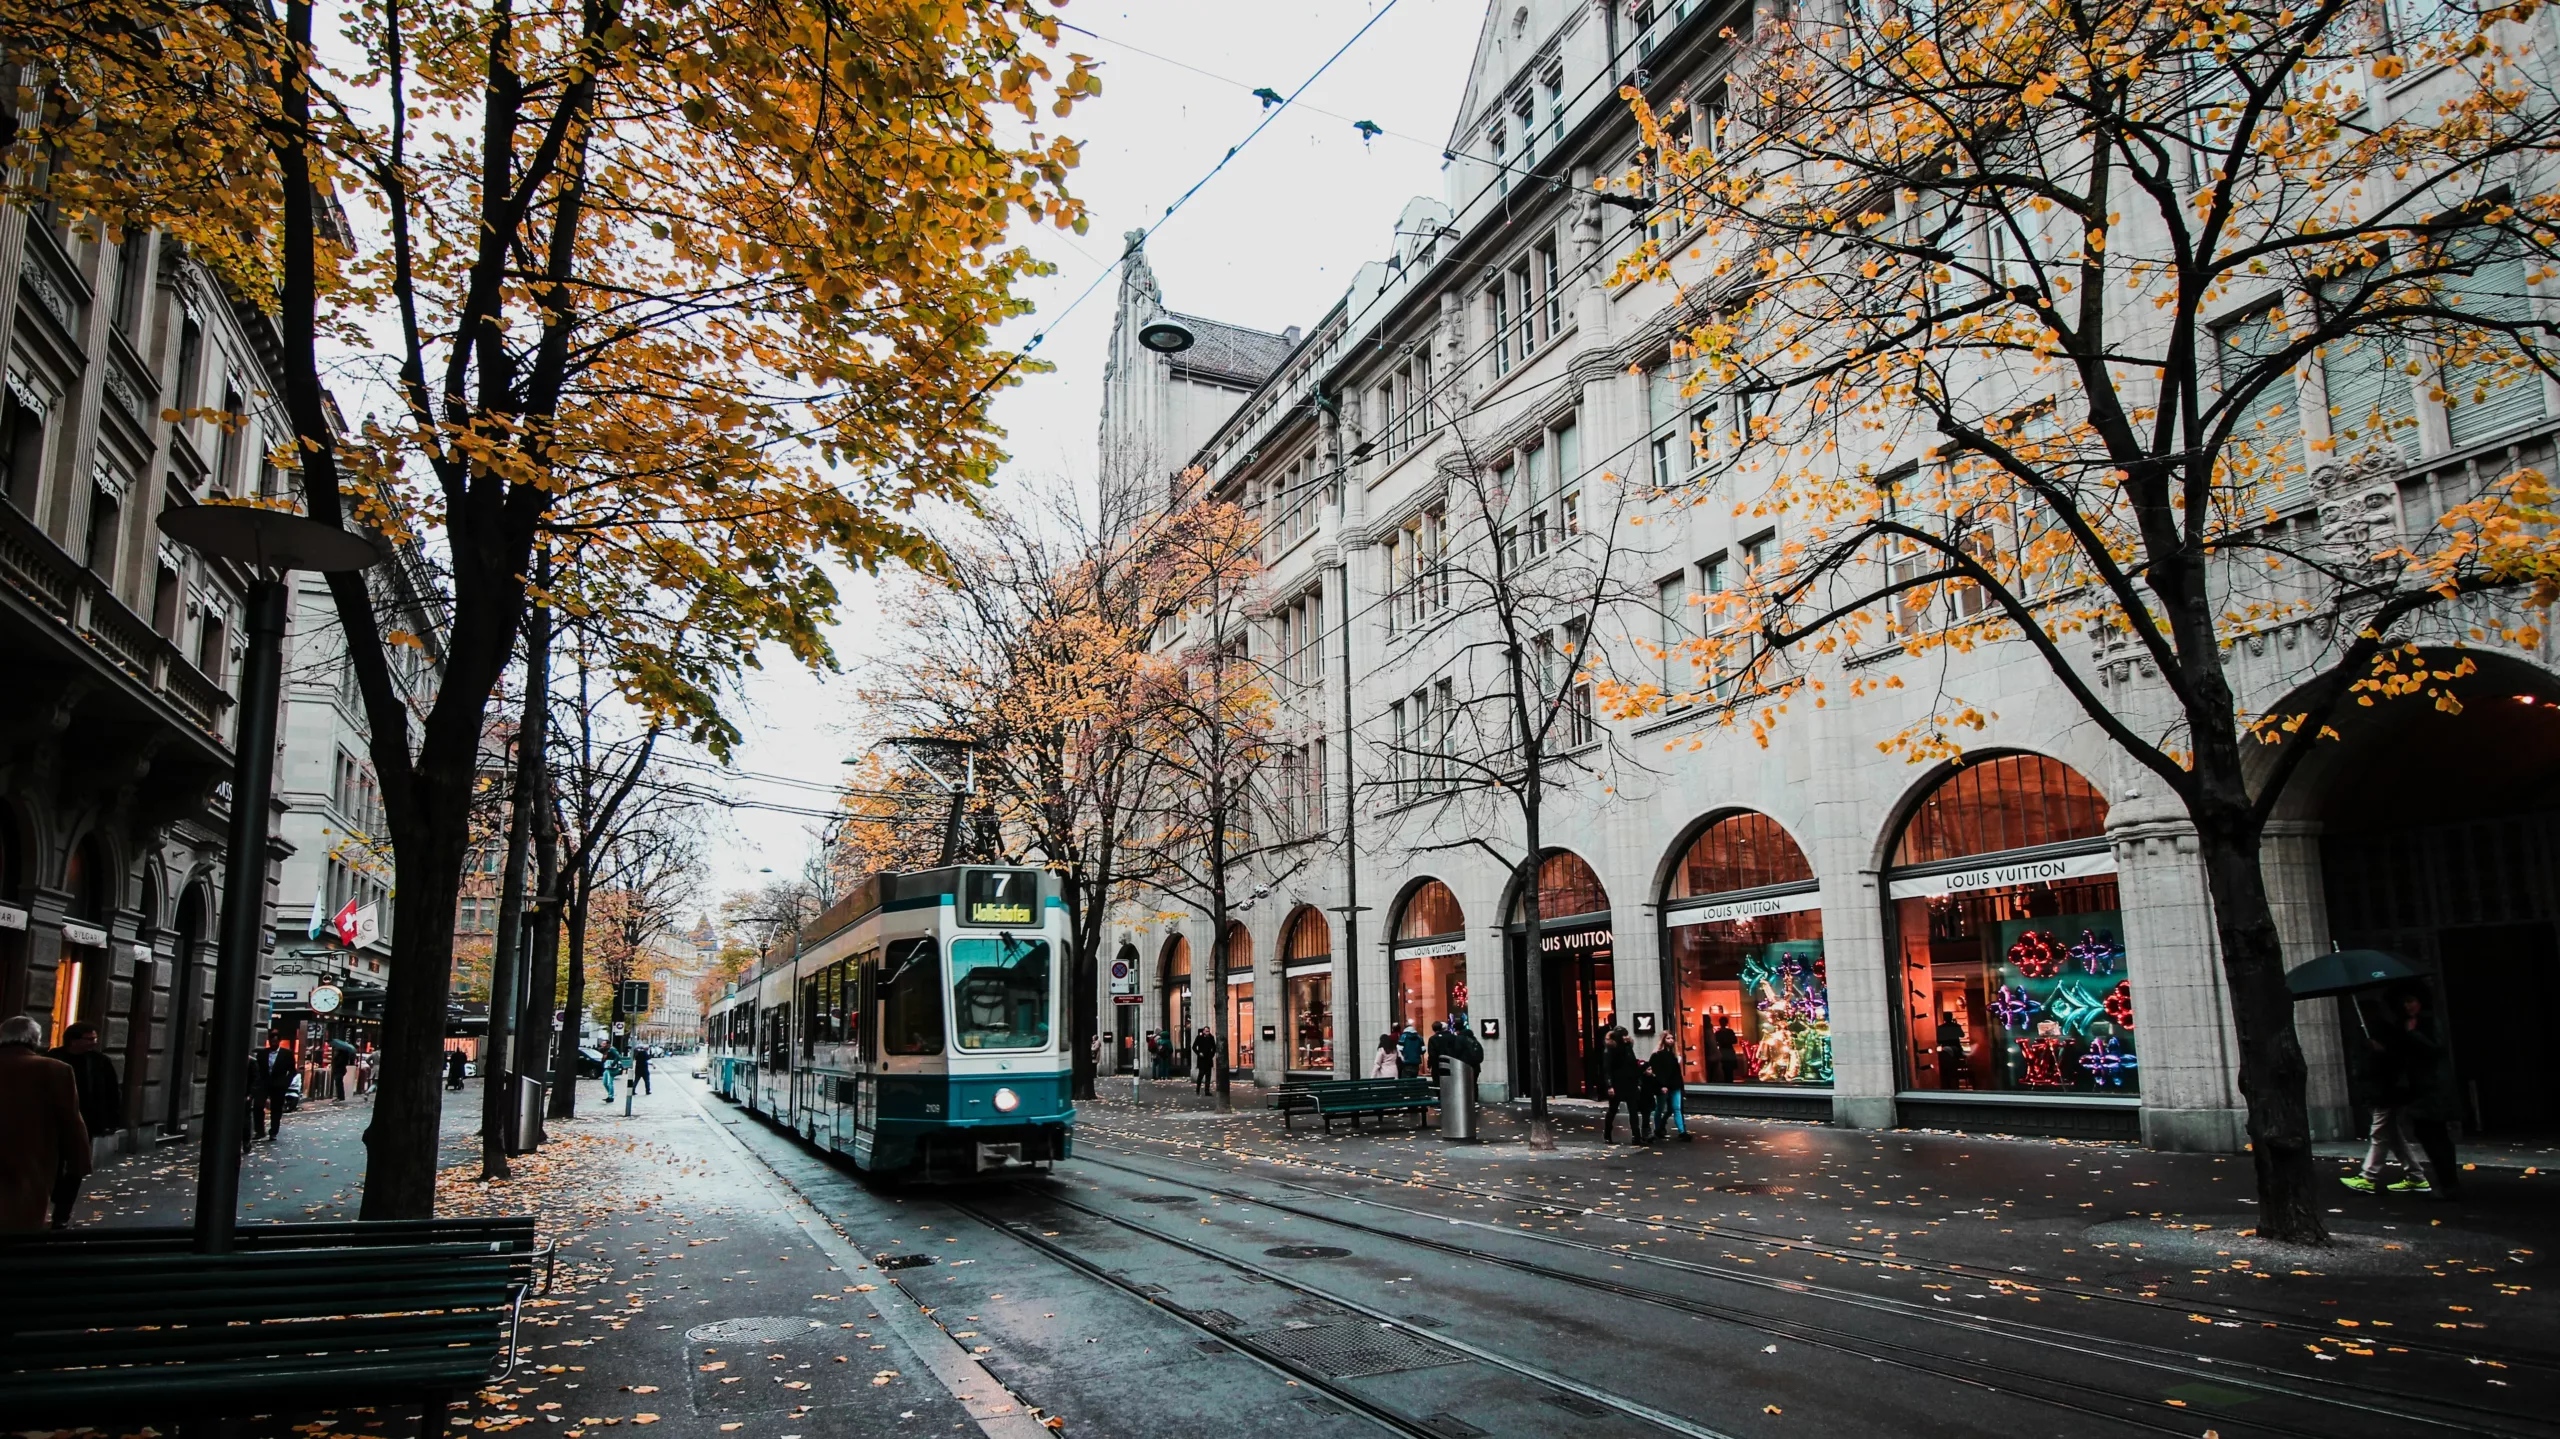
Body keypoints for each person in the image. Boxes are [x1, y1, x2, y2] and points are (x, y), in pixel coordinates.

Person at [2345, 987, 2442, 1195]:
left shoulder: (2386, 1032)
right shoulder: (2369, 1033)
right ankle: (2416, 1176)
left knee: (2379, 1133)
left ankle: (2368, 1176)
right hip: (2379, 1089)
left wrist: (2381, 1052)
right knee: (2394, 1136)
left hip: (2386, 1090)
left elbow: (2397, 1059)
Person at [0, 1015, 90, 1232]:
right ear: (35, 1039)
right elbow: (70, 1120)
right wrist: (80, 1161)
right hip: (31, 1156)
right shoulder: (55, 1069)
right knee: (23, 1217)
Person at [49, 1021, 124, 1150]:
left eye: (95, 1038)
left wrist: (112, 1119)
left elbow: (111, 1090)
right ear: (73, 1040)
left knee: (80, 1152)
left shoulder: (100, 1060)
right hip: (57, 1116)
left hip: (87, 1117)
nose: (94, 1042)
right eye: (89, 1039)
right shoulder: (53, 1058)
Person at [1602, 1028, 1648, 1144]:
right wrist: (1610, 1086)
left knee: (1633, 1110)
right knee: (1613, 1109)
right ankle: (1607, 1134)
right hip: (1618, 1083)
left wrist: (1637, 1081)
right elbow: (1607, 1069)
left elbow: (1632, 1066)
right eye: (1623, 1035)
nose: (1626, 1037)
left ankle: (1636, 1136)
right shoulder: (1611, 1049)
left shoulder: (1627, 1047)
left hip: (1630, 1083)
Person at [249, 1035, 295, 1143]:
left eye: (275, 1042)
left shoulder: (287, 1054)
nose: (273, 1044)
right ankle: (259, 1131)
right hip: (264, 1084)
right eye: (271, 1042)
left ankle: (273, 1132)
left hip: (279, 1085)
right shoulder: (262, 1053)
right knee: (258, 1106)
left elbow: (292, 1070)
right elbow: (258, 1069)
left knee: (276, 1109)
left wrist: (286, 1082)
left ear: (279, 1042)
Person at [1648, 1036, 1691, 1142]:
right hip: (1665, 1086)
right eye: (1668, 1038)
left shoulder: (1673, 1055)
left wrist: (1681, 1087)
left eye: (1672, 1038)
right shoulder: (1658, 1055)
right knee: (1661, 1108)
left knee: (1676, 1108)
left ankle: (1681, 1131)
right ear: (1663, 1040)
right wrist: (1661, 1085)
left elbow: (1677, 1073)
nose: (1671, 1040)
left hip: (1674, 1085)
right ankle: (1658, 1129)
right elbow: (1656, 1072)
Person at [1935, 1013, 1969, 1090]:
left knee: (1946, 1068)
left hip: (1946, 1050)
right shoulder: (1956, 1026)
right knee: (1955, 1066)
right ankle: (1956, 1084)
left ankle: (1947, 1085)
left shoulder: (1940, 1028)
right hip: (1956, 1049)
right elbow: (1962, 1035)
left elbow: (1939, 1041)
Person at [1710, 1016, 1740, 1084]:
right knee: (1729, 1070)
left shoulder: (1718, 1033)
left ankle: (1726, 1083)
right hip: (1728, 1051)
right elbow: (1734, 1041)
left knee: (1725, 1069)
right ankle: (1729, 1083)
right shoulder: (1729, 1031)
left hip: (1723, 1051)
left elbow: (1715, 1042)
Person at [328, 1038, 356, 1102]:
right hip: (339, 1070)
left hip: (339, 1070)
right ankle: (340, 1096)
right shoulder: (343, 1054)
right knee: (339, 1083)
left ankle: (340, 1097)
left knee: (339, 1083)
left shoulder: (342, 1055)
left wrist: (334, 1062)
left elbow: (339, 1062)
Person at [1190, 1027, 1217, 1094]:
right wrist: (1199, 1053)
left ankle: (1207, 1091)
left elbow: (1214, 1047)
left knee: (1208, 1076)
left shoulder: (1211, 1037)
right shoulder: (1199, 1037)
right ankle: (1198, 1089)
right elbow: (1194, 1047)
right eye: (1206, 1031)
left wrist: (1212, 1055)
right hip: (1202, 1059)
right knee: (1200, 1075)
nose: (1207, 1032)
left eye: (1208, 1031)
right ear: (1203, 1031)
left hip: (1208, 1059)